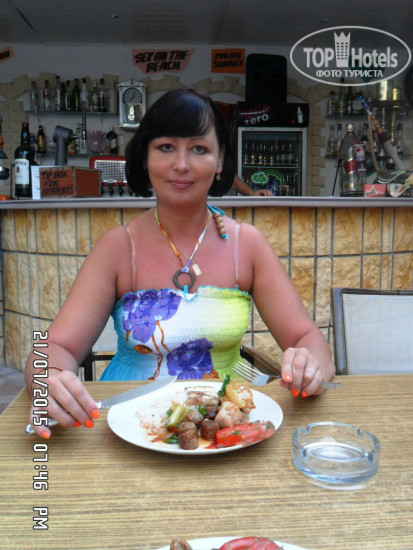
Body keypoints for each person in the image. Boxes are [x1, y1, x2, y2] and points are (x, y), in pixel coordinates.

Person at [25, 87, 335, 438]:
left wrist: (311, 365)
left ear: (220, 161)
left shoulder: (247, 245)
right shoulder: (118, 247)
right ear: (145, 158)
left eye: (199, 149)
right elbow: (54, 348)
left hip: (226, 431)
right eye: (166, 147)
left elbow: (308, 338)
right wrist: (49, 379)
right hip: (126, 426)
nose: (182, 164)